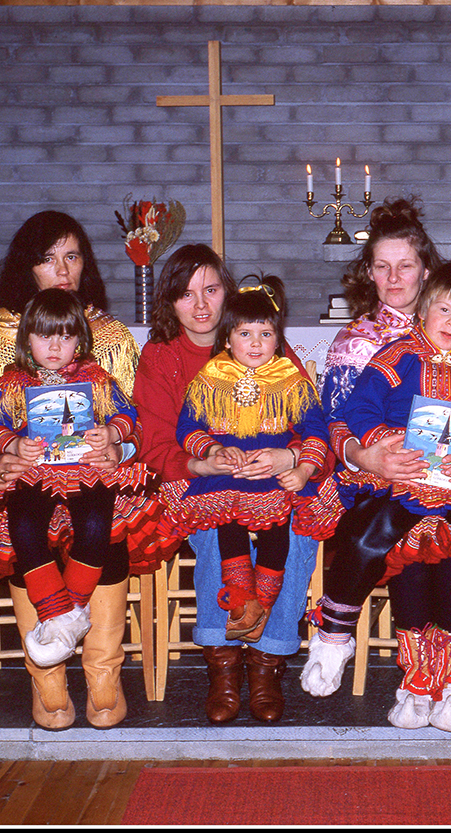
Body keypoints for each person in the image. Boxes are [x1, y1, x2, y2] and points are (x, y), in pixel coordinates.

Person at [0, 210, 166, 730]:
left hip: (93, 474)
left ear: (85, 265)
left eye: (71, 257)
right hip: (15, 480)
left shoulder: (109, 338)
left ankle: (102, 678)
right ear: (28, 268)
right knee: (18, 528)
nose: (62, 270)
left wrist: (118, 448)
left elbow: (140, 415)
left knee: (107, 522)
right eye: (48, 259)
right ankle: (47, 684)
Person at [314, 198, 451, 732]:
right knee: (376, 540)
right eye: (382, 265)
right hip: (394, 480)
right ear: (368, 272)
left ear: (427, 270)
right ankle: (393, 668)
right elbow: (343, 417)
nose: (394, 277)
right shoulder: (369, 348)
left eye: (407, 265)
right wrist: (370, 453)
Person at [133, 245, 325, 724]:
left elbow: (310, 424)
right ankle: (223, 664)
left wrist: (292, 456)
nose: (200, 306)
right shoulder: (161, 357)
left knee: (301, 524)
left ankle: (267, 663)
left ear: (229, 293)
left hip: (273, 475)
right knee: (217, 528)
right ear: (169, 302)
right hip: (192, 478)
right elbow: (156, 446)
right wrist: (205, 464)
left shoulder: (264, 344)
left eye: (211, 290)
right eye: (185, 294)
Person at [0, 288, 156, 668]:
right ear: (27, 339)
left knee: (96, 526)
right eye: (44, 335)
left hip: (88, 470)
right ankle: (60, 615)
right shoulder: (13, 383)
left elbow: (131, 416)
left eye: (66, 336)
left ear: (81, 340)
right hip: (33, 473)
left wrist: (111, 435)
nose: (55, 346)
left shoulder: (98, 380)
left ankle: (67, 613)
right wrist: (12, 445)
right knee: (23, 527)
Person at [162, 276, 340, 643]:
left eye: (265, 334)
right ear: (227, 339)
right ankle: (242, 600)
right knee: (225, 518)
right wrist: (212, 451)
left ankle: (263, 603)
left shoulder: (291, 380)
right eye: (245, 334)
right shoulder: (209, 378)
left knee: (280, 526)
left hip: (273, 474)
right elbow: (187, 428)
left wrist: (303, 467)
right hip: (227, 473)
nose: (255, 343)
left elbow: (316, 430)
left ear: (279, 339)